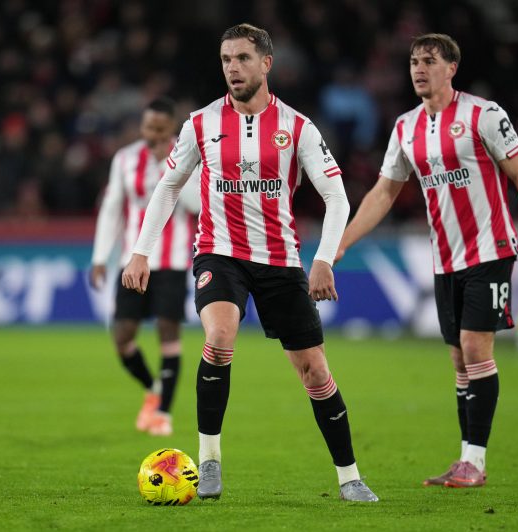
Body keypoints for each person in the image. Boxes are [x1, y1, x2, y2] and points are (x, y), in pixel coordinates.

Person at [122, 23, 378, 502]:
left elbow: (337, 197)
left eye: (242, 58)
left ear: (266, 63)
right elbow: (168, 187)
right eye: (225, 60)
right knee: (219, 338)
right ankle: (211, 461)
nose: (233, 68)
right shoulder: (200, 123)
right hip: (220, 253)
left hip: (281, 261)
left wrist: (323, 259)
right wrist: (141, 250)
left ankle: (350, 477)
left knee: (315, 372)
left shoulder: (297, 127)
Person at [334, 33, 518, 488]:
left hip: (491, 249)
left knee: (477, 348)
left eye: (429, 61)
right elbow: (384, 192)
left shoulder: (484, 114)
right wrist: (343, 242)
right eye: (413, 62)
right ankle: (465, 458)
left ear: (451, 68)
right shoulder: (405, 127)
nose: (419, 69)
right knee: (460, 360)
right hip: (444, 259)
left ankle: (476, 463)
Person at [89, 97, 199, 437]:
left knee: (168, 332)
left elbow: (196, 203)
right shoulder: (125, 159)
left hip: (173, 261)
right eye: (148, 127)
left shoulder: (185, 157)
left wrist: (171, 171)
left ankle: (163, 412)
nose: (153, 134)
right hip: (131, 262)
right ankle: (154, 387)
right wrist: (99, 256)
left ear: (172, 130)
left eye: (161, 129)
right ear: (142, 126)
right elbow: (112, 208)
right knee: (122, 337)